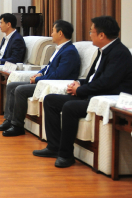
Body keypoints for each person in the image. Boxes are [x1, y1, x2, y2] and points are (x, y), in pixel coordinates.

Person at [35, 16, 132, 168]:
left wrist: (80, 90)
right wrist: (79, 84)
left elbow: (106, 83)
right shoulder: (103, 50)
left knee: (70, 107)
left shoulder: (120, 53)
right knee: (50, 100)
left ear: (101, 35)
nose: (90, 35)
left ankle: (66, 155)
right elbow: (94, 78)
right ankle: (54, 147)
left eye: (91, 32)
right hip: (93, 94)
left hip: (104, 98)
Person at [0, 19, 80, 136]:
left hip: (52, 85)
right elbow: (49, 67)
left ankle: (17, 126)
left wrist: (38, 79)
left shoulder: (69, 52)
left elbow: (59, 75)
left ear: (60, 33)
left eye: (53, 31)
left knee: (20, 90)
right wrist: (40, 73)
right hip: (45, 80)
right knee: (12, 85)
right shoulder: (61, 48)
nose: (51, 34)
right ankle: (9, 120)